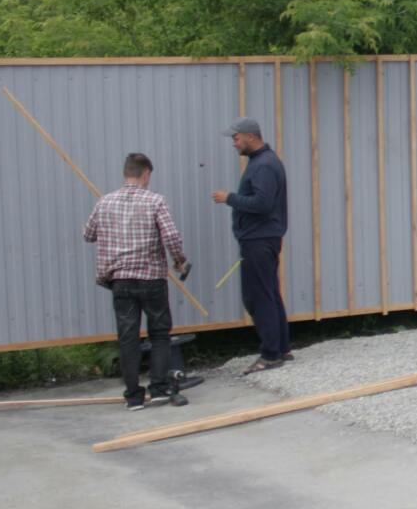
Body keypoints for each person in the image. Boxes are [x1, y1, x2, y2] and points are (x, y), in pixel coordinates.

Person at [83, 152, 196, 409]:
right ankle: (158, 389)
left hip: (120, 281)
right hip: (151, 279)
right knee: (159, 334)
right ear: (145, 173)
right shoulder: (155, 201)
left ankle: (133, 397)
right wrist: (179, 260)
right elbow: (171, 237)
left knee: (128, 338)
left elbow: (88, 235)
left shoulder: (104, 202)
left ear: (126, 173)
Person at [213, 118, 292, 373]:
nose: (234, 143)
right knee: (268, 293)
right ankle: (281, 348)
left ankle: (270, 355)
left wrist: (229, 198)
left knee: (259, 297)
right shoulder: (262, 161)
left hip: (259, 240)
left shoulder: (264, 165)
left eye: (236, 138)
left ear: (250, 136)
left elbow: (263, 204)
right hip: (261, 238)